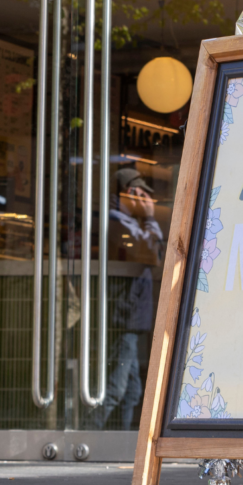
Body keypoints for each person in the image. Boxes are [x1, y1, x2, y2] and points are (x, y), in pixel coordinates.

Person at [91, 166, 164, 430]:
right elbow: (150, 254)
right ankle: (93, 433)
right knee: (116, 388)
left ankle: (120, 442)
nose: (147, 202)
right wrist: (149, 217)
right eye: (143, 195)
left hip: (130, 316)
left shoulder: (129, 222)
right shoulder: (117, 220)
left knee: (131, 389)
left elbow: (155, 252)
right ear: (131, 192)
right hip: (123, 315)